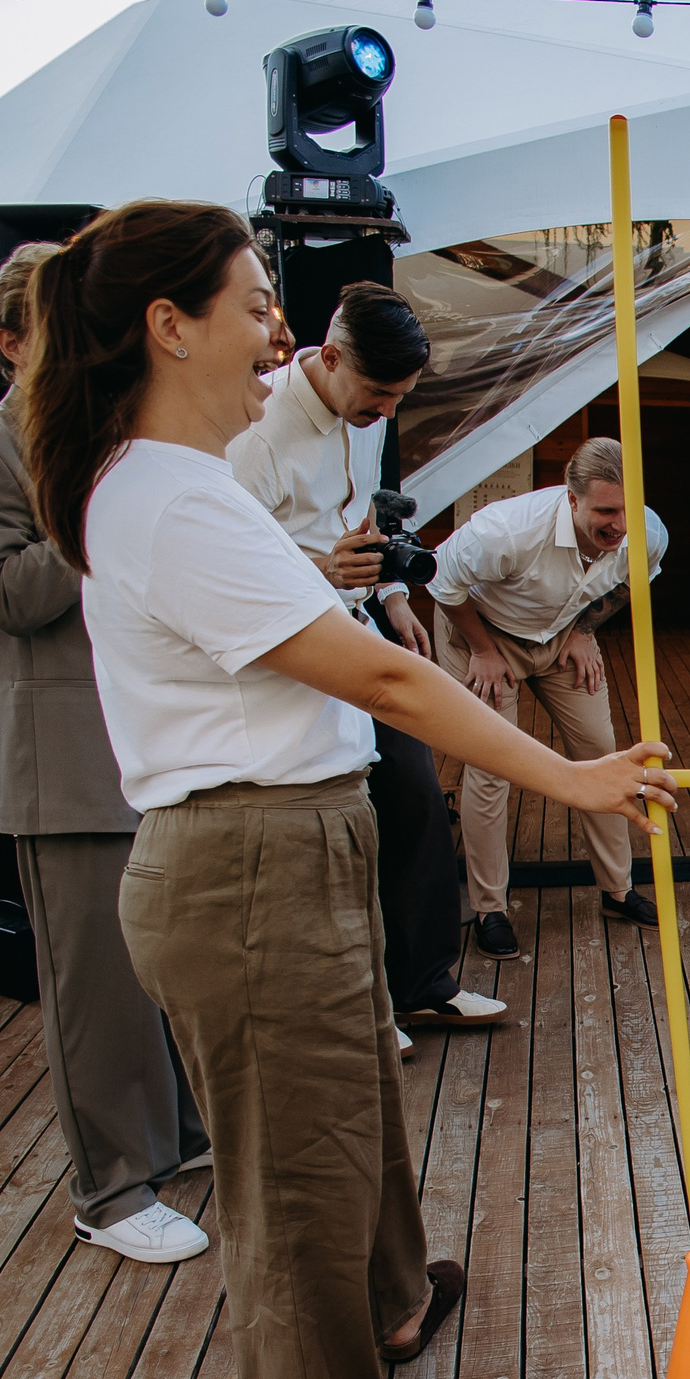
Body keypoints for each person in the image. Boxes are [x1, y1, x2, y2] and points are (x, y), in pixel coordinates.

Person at [18, 200, 673, 1379]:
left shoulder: (180, 485)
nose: (279, 339)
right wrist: (570, 775)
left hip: (289, 841)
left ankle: (391, 1297)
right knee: (292, 1160)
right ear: (169, 326)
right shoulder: (171, 500)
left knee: (353, 1099)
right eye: (255, 307)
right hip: (245, 861)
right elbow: (378, 679)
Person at [0, 240, 212, 1268]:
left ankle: (177, 1134)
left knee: (167, 963)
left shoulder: (119, 440)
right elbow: (3, 593)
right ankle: (111, 1188)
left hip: (150, 742)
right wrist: (94, 502)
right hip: (61, 761)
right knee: (95, 985)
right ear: (10, 342)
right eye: (65, 328)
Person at [226, 282, 504, 1050]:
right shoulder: (255, 436)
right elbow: (229, 567)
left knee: (415, 796)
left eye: (399, 398)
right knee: (340, 828)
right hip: (288, 651)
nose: (385, 411)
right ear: (330, 356)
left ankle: (422, 987)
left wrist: (392, 596)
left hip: (354, 620)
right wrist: (322, 570)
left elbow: (364, 517)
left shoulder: (369, 415)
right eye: (378, 394)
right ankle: (361, 1006)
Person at [430, 436, 670, 949]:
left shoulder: (648, 533)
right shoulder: (506, 530)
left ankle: (618, 889)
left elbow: (630, 583)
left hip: (561, 633)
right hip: (484, 635)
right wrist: (483, 650)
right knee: (492, 765)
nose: (620, 525)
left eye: (628, 509)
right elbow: (442, 581)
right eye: (605, 512)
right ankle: (490, 908)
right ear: (572, 498)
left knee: (602, 752)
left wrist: (584, 630)